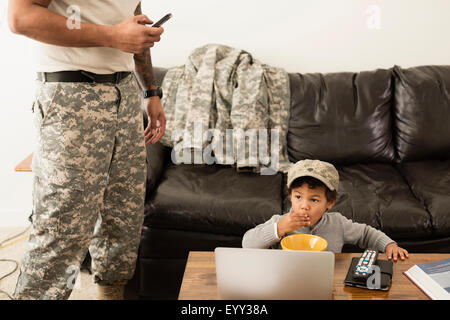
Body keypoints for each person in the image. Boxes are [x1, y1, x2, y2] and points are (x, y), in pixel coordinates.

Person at [8, 0, 166, 299]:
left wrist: (151, 91)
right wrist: (111, 36)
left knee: (123, 218)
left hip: (125, 94)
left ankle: (110, 294)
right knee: (62, 228)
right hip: (71, 96)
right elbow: (21, 17)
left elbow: (133, 23)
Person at [242, 159, 409, 262]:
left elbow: (366, 234)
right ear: (291, 196)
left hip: (324, 283)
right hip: (286, 282)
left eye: (314, 199)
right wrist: (278, 229)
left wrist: (389, 245)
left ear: (329, 203)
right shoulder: (281, 222)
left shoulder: (337, 223)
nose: (304, 205)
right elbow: (247, 244)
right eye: (298, 196)